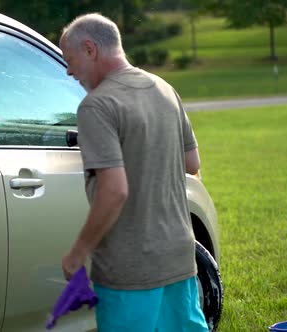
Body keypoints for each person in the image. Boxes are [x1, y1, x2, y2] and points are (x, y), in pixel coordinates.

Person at [59, 13, 208, 332]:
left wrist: (78, 253)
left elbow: (114, 190)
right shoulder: (164, 89)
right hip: (179, 259)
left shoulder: (96, 106)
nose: (69, 71)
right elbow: (192, 164)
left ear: (90, 49)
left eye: (69, 60)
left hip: (129, 272)